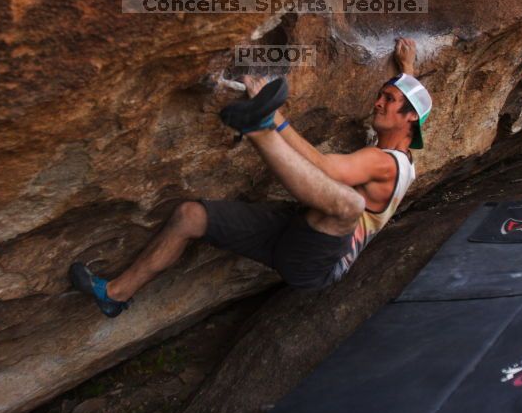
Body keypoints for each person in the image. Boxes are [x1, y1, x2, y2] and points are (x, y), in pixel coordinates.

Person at [69, 38, 432, 317]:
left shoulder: (386, 163)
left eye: (388, 98)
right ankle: (114, 295)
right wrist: (407, 69)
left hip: (318, 264)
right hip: (296, 232)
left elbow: (326, 168)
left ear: (410, 116)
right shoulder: (403, 149)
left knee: (348, 205)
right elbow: (412, 104)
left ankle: (257, 129)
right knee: (190, 216)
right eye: (381, 95)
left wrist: (276, 118)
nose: (377, 102)